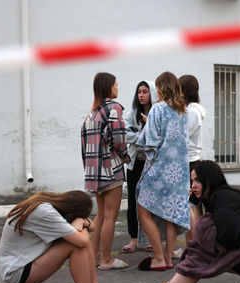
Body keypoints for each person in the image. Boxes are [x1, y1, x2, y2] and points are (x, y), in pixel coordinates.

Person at [0, 191, 123, 283]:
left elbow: (92, 226)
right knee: (76, 245)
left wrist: (80, 221)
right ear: (70, 214)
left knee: (79, 241)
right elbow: (82, 241)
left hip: (19, 268)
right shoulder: (45, 213)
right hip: (14, 275)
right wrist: (81, 224)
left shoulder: (48, 206)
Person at [136, 71, 190, 271]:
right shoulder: (183, 112)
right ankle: (167, 258)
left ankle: (158, 257)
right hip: (179, 173)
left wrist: (145, 126)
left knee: (144, 210)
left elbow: (150, 143)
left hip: (159, 169)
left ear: (160, 87)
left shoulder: (157, 109)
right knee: (170, 214)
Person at [81, 72, 129, 270]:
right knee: (111, 216)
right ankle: (107, 260)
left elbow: (84, 145)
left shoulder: (91, 112)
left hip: (93, 172)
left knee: (100, 215)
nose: (118, 88)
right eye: (116, 85)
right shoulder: (113, 108)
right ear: (108, 87)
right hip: (111, 169)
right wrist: (125, 155)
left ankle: (94, 257)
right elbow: (118, 139)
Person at [122, 80, 158, 254]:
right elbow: (127, 135)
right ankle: (134, 239)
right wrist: (144, 136)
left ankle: (150, 239)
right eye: (139, 92)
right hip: (135, 164)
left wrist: (144, 133)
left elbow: (158, 139)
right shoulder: (132, 114)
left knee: (150, 202)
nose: (141, 95)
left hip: (152, 164)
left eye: (145, 91)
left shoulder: (157, 114)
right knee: (132, 202)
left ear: (152, 94)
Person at [179, 74, 208, 245]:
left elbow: (182, 137)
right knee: (193, 205)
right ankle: (195, 244)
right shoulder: (194, 110)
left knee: (191, 206)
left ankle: (193, 246)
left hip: (189, 161)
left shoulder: (191, 112)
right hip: (192, 160)